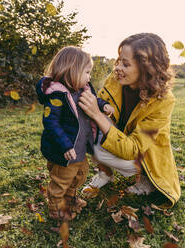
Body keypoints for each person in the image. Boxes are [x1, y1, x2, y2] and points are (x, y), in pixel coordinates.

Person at [79, 33, 181, 208]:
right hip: (119, 137)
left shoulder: (164, 100)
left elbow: (133, 149)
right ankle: (105, 174)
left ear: (147, 69)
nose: (117, 67)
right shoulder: (116, 79)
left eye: (125, 64)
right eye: (118, 60)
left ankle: (146, 179)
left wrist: (96, 114)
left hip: (142, 155)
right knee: (85, 131)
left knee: (97, 130)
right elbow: (101, 112)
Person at [35, 46, 114, 220]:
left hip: (79, 147)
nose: (89, 76)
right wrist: (65, 145)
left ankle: (70, 199)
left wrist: (102, 106)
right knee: (61, 180)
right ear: (72, 71)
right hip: (64, 150)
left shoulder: (83, 89)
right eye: (87, 72)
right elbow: (51, 123)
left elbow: (93, 100)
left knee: (80, 174)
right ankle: (56, 209)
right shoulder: (56, 95)